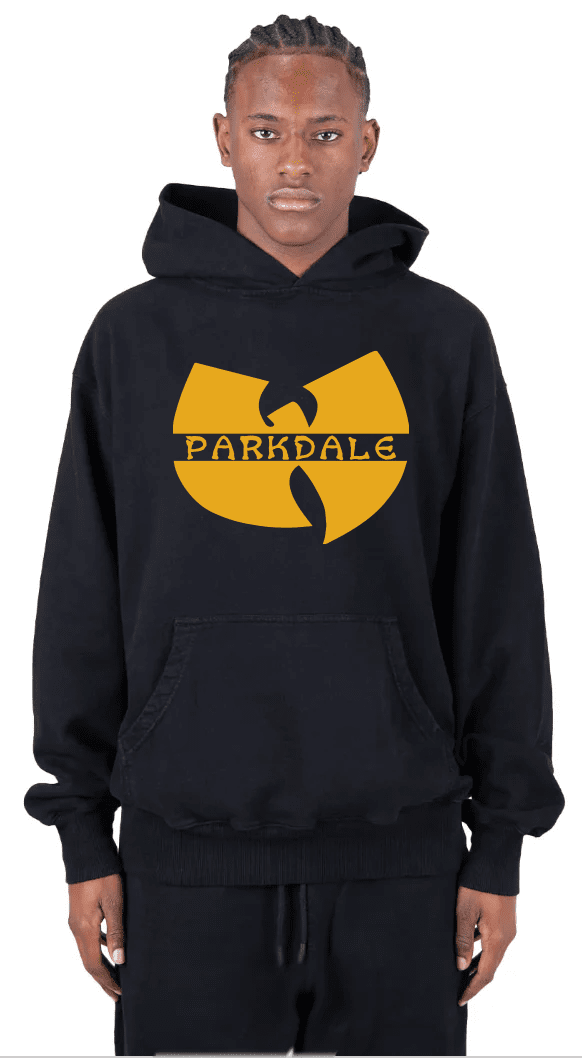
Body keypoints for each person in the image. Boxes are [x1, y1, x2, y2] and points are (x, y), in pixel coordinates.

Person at [23, 12, 565, 1057]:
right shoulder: (134, 338)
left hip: (405, 862)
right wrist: (83, 832)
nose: (296, 164)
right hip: (182, 862)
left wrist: (500, 841)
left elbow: (496, 596)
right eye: (268, 132)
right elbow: (81, 591)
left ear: (368, 142)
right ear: (223, 139)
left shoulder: (442, 336)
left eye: (325, 133)